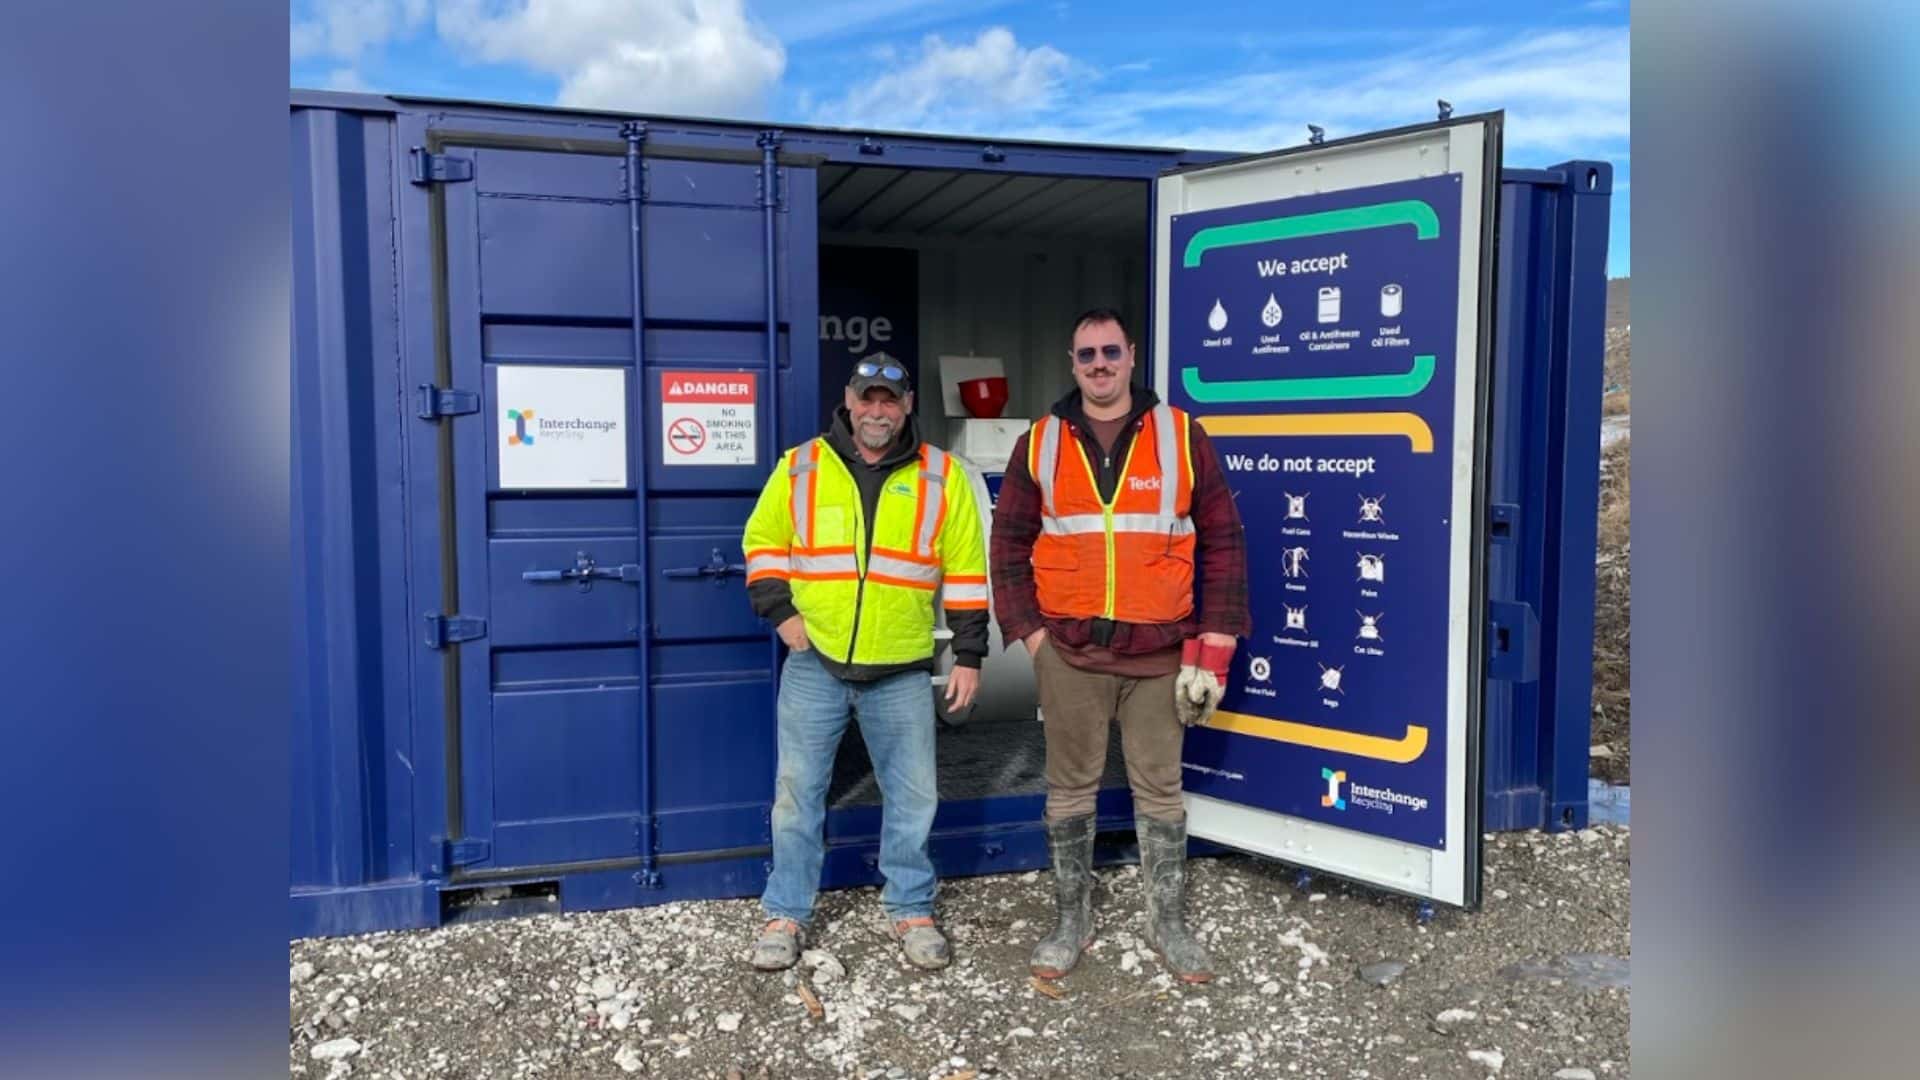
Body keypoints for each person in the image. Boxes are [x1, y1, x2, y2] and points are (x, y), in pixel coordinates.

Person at [989, 308, 1250, 983]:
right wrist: (1032, 637)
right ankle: (1070, 920)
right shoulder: (1040, 442)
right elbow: (1009, 544)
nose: (1099, 364)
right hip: (1069, 655)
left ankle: (1168, 923)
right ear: (1071, 363)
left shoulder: (1182, 436)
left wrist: (1212, 650)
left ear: (1131, 355)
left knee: (1159, 791)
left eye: (1110, 351)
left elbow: (1222, 543)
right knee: (1069, 789)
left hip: (1160, 658)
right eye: (1086, 355)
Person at [741, 355, 988, 972]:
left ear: (906, 407)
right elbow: (763, 542)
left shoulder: (941, 476)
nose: (877, 411)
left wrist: (969, 654)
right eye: (867, 398)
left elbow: (965, 569)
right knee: (797, 797)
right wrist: (782, 614)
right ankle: (786, 914)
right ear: (848, 401)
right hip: (814, 663)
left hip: (901, 669)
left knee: (914, 798)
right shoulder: (800, 467)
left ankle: (910, 907)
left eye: (890, 400)